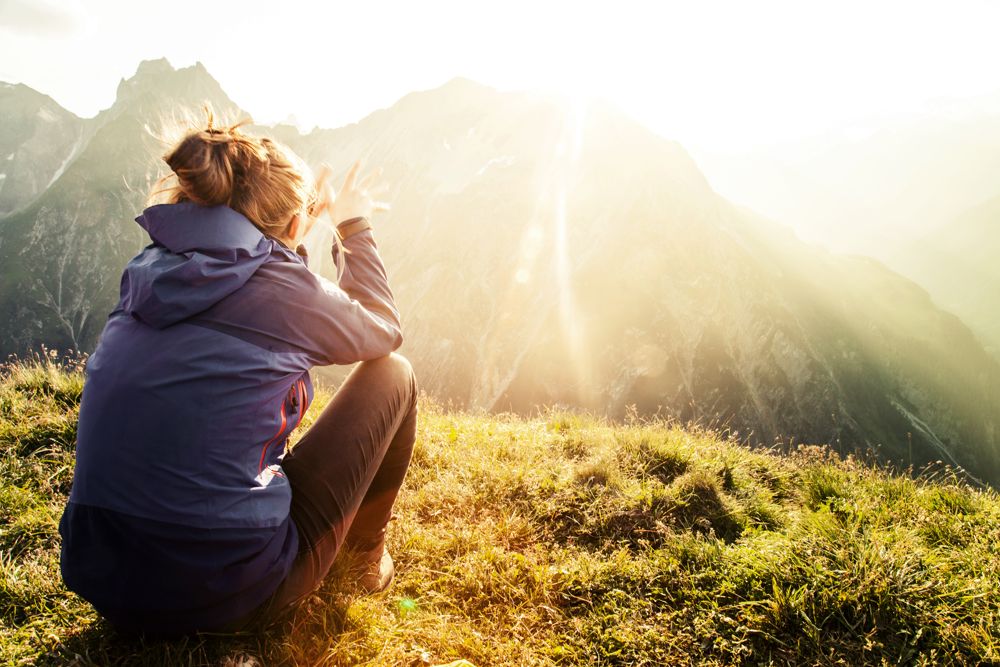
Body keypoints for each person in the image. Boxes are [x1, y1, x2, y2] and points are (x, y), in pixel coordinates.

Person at [57, 109, 418, 638]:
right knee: (394, 375)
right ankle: (364, 559)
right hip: (225, 592)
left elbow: (252, 279)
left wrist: (296, 231)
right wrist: (351, 226)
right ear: (296, 225)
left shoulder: (148, 271)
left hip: (103, 576)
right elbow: (382, 330)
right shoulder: (286, 293)